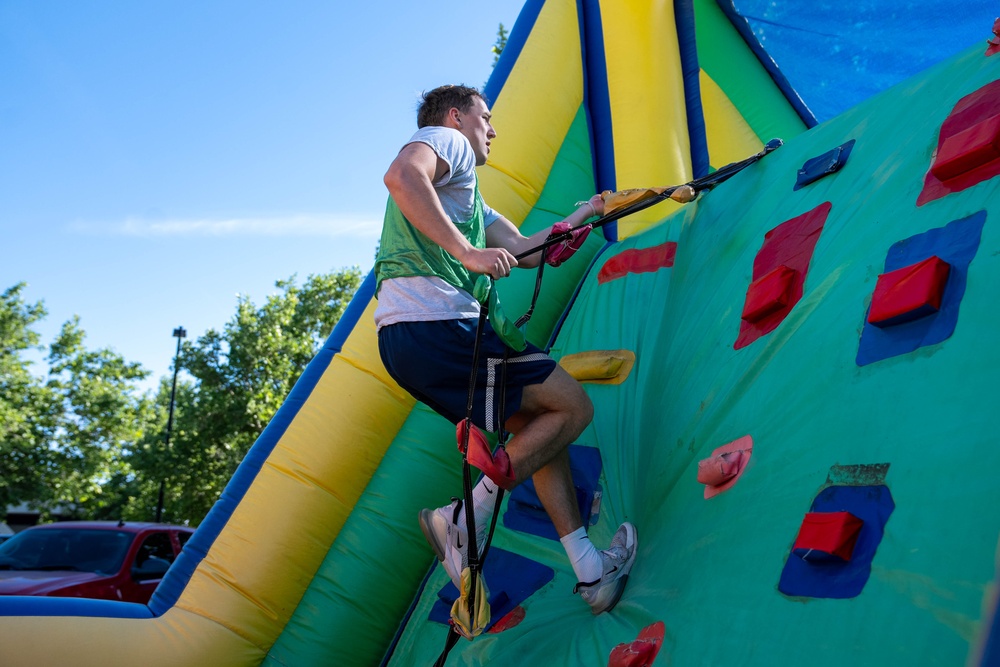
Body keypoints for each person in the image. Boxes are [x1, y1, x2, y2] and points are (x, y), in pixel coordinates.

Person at [374, 84, 637, 615]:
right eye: (485, 117)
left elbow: (524, 250)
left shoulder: (469, 199)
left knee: (541, 430)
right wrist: (467, 252)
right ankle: (460, 521)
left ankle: (591, 570)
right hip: (440, 324)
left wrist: (585, 214)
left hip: (411, 339)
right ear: (456, 116)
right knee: (574, 406)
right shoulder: (446, 142)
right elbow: (402, 177)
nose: (492, 130)